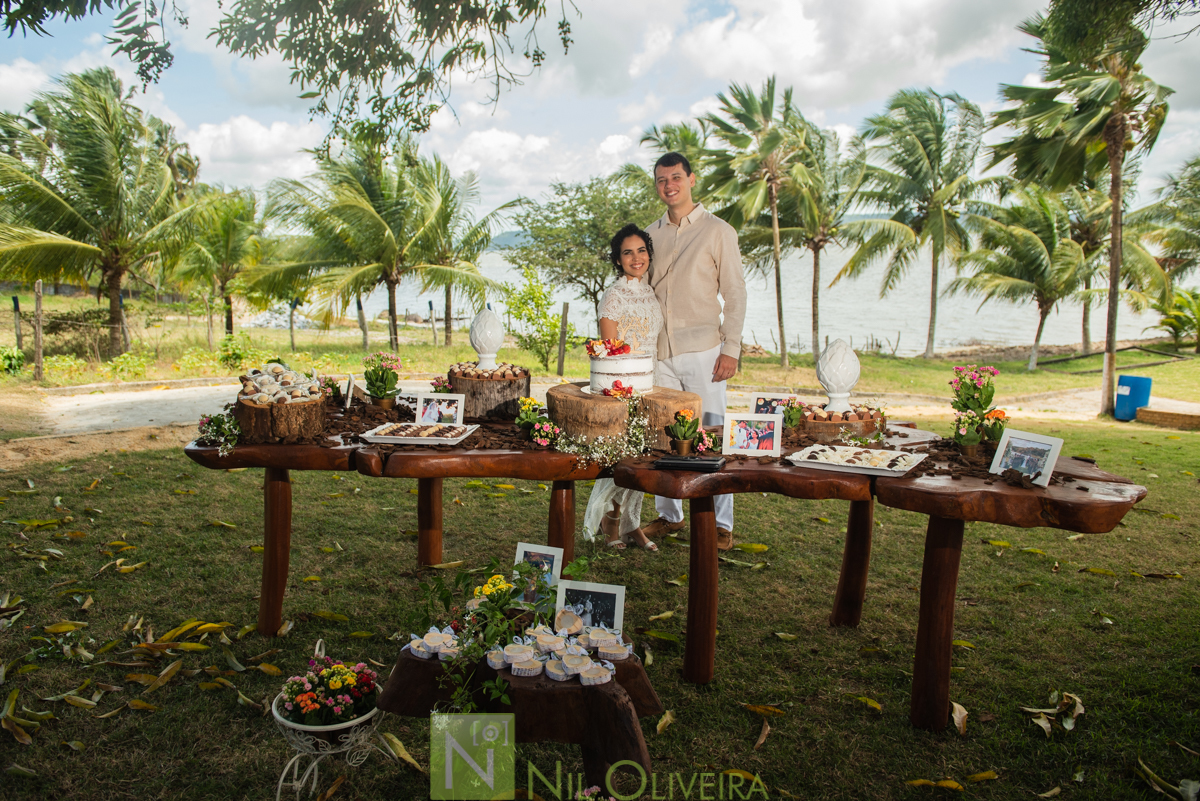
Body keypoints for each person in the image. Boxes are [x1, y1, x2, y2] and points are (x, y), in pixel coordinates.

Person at [639, 152, 746, 551]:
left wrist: (730, 348)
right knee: (663, 435)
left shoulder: (719, 231)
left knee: (712, 434)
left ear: (691, 179)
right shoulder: (650, 235)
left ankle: (721, 525)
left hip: (705, 349)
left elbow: (734, 293)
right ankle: (670, 516)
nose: (669, 185)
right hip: (659, 352)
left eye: (676, 177)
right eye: (662, 179)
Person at [582, 224, 664, 552]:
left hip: (650, 381)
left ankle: (632, 525)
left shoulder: (649, 292)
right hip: (623, 387)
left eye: (641, 250)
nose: (636, 257)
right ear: (618, 259)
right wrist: (622, 395)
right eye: (627, 252)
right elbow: (610, 348)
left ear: (649, 254)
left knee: (642, 458)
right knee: (623, 458)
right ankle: (610, 523)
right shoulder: (614, 295)